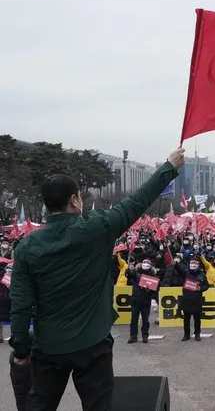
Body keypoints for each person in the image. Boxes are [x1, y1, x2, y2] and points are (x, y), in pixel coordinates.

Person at [9, 147, 184, 410]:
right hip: (93, 344)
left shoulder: (27, 247)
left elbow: (20, 304)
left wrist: (21, 349)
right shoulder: (97, 227)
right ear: (75, 200)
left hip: (48, 346)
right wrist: (169, 167)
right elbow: (137, 202)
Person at [126, 259, 158, 344]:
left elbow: (155, 290)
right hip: (135, 300)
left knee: (145, 321)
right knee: (134, 320)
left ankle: (145, 336)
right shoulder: (136, 273)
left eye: (148, 263)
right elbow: (129, 276)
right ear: (141, 264)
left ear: (150, 265)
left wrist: (150, 290)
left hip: (146, 302)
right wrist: (129, 270)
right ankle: (133, 336)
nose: (146, 264)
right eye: (144, 262)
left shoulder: (153, 276)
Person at [179, 258, 210, 341]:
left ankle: (197, 334)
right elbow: (179, 269)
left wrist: (200, 288)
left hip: (197, 300)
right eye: (192, 263)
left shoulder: (202, 275)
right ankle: (186, 334)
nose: (193, 264)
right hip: (186, 299)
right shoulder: (185, 273)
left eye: (195, 263)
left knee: (197, 319)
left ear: (198, 265)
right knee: (186, 319)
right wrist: (175, 264)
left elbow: (207, 286)